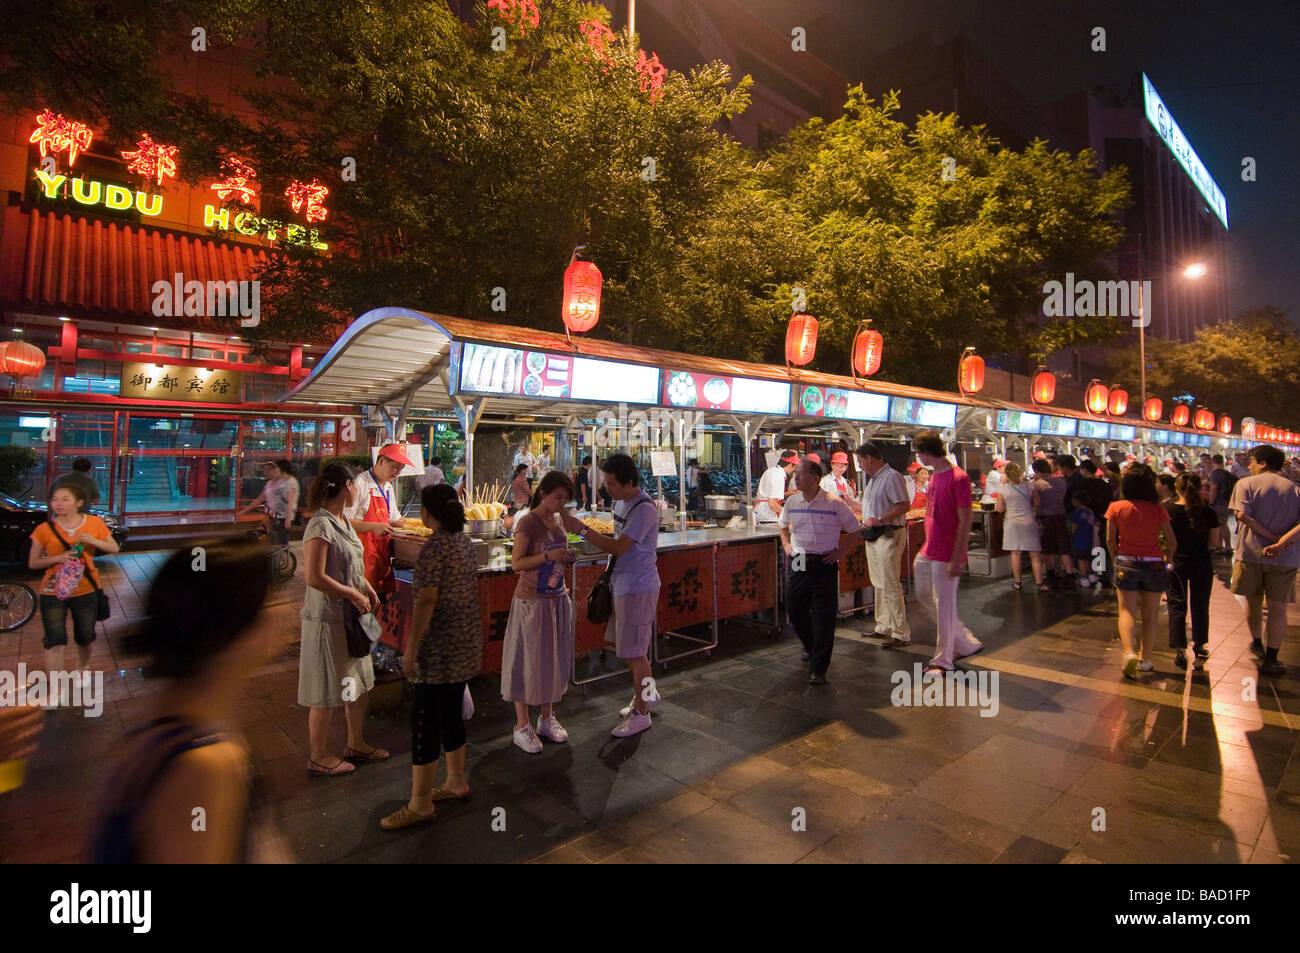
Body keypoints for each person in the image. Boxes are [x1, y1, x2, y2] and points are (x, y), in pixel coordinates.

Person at [90, 540, 290, 862]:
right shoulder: (203, 768)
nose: (284, 607)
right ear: (230, 631)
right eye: (269, 599)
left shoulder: (158, 733)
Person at [382, 484, 482, 830]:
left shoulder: (435, 548)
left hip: (438, 648)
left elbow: (425, 601)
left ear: (427, 513)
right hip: (465, 643)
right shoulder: (465, 543)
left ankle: (420, 803)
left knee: (424, 722)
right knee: (451, 712)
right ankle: (456, 780)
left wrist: (411, 649)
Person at [562, 453, 660, 737]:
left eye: (613, 484)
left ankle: (642, 713)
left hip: (638, 587)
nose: (607, 489)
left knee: (636, 652)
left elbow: (619, 548)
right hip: (622, 584)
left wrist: (582, 529)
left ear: (630, 482)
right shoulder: (622, 501)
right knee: (631, 650)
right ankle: (647, 696)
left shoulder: (644, 509)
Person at [300, 462, 386, 775]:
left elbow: (349, 566)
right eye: (355, 485)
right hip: (327, 620)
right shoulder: (320, 525)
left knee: (357, 683)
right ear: (347, 486)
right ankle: (318, 755)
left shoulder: (344, 522)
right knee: (325, 691)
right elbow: (314, 576)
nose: (358, 490)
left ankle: (356, 743)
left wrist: (366, 586)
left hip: (350, 620)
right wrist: (352, 594)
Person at [502, 471, 577, 753]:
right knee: (525, 659)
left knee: (552, 660)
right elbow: (517, 563)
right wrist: (547, 556)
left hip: (556, 597)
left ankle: (547, 717)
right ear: (543, 492)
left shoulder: (558, 520)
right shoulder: (527, 522)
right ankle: (522, 725)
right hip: (531, 599)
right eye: (558, 497)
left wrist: (566, 557)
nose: (561, 503)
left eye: (566, 499)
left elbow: (559, 551)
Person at [28, 485, 119, 690]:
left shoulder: (94, 523)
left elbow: (114, 547)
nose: (58, 503)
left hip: (86, 589)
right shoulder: (44, 530)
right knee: (54, 640)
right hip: (52, 591)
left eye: (65, 499)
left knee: (85, 636)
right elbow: (33, 563)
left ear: (79, 503)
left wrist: (93, 540)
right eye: (55, 499)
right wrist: (59, 557)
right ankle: (56, 689)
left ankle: (83, 666)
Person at [778, 459, 861, 684]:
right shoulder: (792, 501)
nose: (796, 478)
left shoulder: (833, 502)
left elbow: (855, 529)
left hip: (824, 560)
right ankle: (810, 645)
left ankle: (819, 668)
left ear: (815, 478)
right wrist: (786, 545)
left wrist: (841, 553)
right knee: (794, 607)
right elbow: (782, 525)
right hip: (798, 559)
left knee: (824, 615)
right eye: (795, 474)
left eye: (801, 474)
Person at [911, 431, 982, 675]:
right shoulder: (933, 478)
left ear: (928, 452)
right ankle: (964, 641)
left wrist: (957, 556)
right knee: (923, 594)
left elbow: (965, 520)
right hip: (929, 548)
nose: (919, 458)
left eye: (919, 453)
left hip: (947, 551)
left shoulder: (958, 478)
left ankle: (944, 660)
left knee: (944, 604)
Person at [1231, 445, 1300, 676]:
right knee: (1277, 608)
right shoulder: (1295, 489)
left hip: (1250, 554)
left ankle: (1257, 643)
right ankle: (1272, 657)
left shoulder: (1245, 484)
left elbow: (1242, 515)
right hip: (1285, 557)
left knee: (1252, 601)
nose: (1248, 465)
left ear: (1262, 463)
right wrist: (1280, 543)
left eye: (1251, 461)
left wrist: (1268, 536)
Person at [1105, 465, 1176, 680]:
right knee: (1150, 615)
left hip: (1126, 562)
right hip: (1154, 563)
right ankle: (1145, 659)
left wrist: (1115, 557)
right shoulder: (1158, 509)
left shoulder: (1116, 507)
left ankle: (1128, 653)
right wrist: (1169, 559)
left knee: (1126, 610)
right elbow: (1171, 540)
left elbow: (1109, 539)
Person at [347, 443, 410, 645]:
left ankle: (370, 656)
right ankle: (357, 654)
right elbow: (345, 522)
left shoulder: (388, 487)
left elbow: (394, 519)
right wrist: (373, 527)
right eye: (395, 467)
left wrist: (423, 524)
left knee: (375, 608)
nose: (398, 473)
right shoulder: (360, 484)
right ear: (382, 461)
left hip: (380, 559)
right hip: (362, 559)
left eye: (401, 469)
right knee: (359, 610)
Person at [857, 444, 911, 646]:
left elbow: (904, 505)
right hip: (874, 536)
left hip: (889, 534)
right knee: (878, 583)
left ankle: (900, 632)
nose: (860, 466)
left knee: (890, 583)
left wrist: (880, 519)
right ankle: (883, 625)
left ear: (870, 458)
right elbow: (870, 509)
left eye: (861, 461)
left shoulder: (892, 477)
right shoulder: (874, 481)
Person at [1164, 473, 1218, 670]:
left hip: (1176, 563)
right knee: (1200, 604)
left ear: (1176, 488)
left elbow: (1163, 538)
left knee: (1177, 604)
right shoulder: (1208, 511)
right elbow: (1213, 542)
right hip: (1202, 564)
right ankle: (1200, 644)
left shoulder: (1167, 509)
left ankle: (1179, 648)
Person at [996, 462, 1045, 591]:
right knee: (1035, 554)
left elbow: (1000, 509)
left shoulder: (1003, 489)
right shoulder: (1030, 486)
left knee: (1015, 554)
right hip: (1029, 521)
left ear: (1006, 474)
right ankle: (1040, 583)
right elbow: (1038, 503)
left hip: (1012, 523)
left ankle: (1018, 582)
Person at [238, 459, 299, 546]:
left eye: (270, 470)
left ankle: (285, 558)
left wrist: (288, 519)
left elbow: (290, 501)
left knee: (281, 544)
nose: (266, 472)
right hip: (271, 517)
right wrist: (243, 511)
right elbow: (259, 500)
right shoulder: (270, 484)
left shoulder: (290, 482)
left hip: (282, 518)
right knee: (271, 542)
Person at [1031, 458, 1072, 584]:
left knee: (1047, 550)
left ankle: (1051, 575)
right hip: (1060, 517)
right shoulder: (1062, 482)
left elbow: (1035, 503)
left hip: (1045, 519)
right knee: (1063, 549)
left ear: (1036, 471)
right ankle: (1070, 576)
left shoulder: (1037, 484)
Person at [754, 450, 799, 523]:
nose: (794, 470)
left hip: (760, 514)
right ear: (790, 465)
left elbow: (769, 494)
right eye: (795, 467)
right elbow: (772, 504)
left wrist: (789, 493)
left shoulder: (771, 471)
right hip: (768, 516)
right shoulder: (778, 476)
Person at [1068, 494, 1099, 587]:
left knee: (1081, 559)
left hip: (1079, 540)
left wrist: (1070, 535)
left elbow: (1074, 527)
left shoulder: (1076, 513)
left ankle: (1083, 578)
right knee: (1087, 559)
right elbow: (1096, 522)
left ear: (1077, 501)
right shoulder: (1090, 511)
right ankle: (1091, 575)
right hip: (1089, 539)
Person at [820, 451, 862, 518]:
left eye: (842, 466)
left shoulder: (845, 482)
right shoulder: (824, 481)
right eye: (837, 466)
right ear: (832, 465)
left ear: (846, 467)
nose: (839, 469)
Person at [1206, 455, 1234, 553]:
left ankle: (1225, 546)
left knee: (1220, 524)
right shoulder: (1226, 472)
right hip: (1226, 501)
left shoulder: (1215, 473)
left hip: (1219, 502)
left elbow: (1214, 488)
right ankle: (1223, 545)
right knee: (1222, 523)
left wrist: (1211, 502)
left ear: (1213, 462)